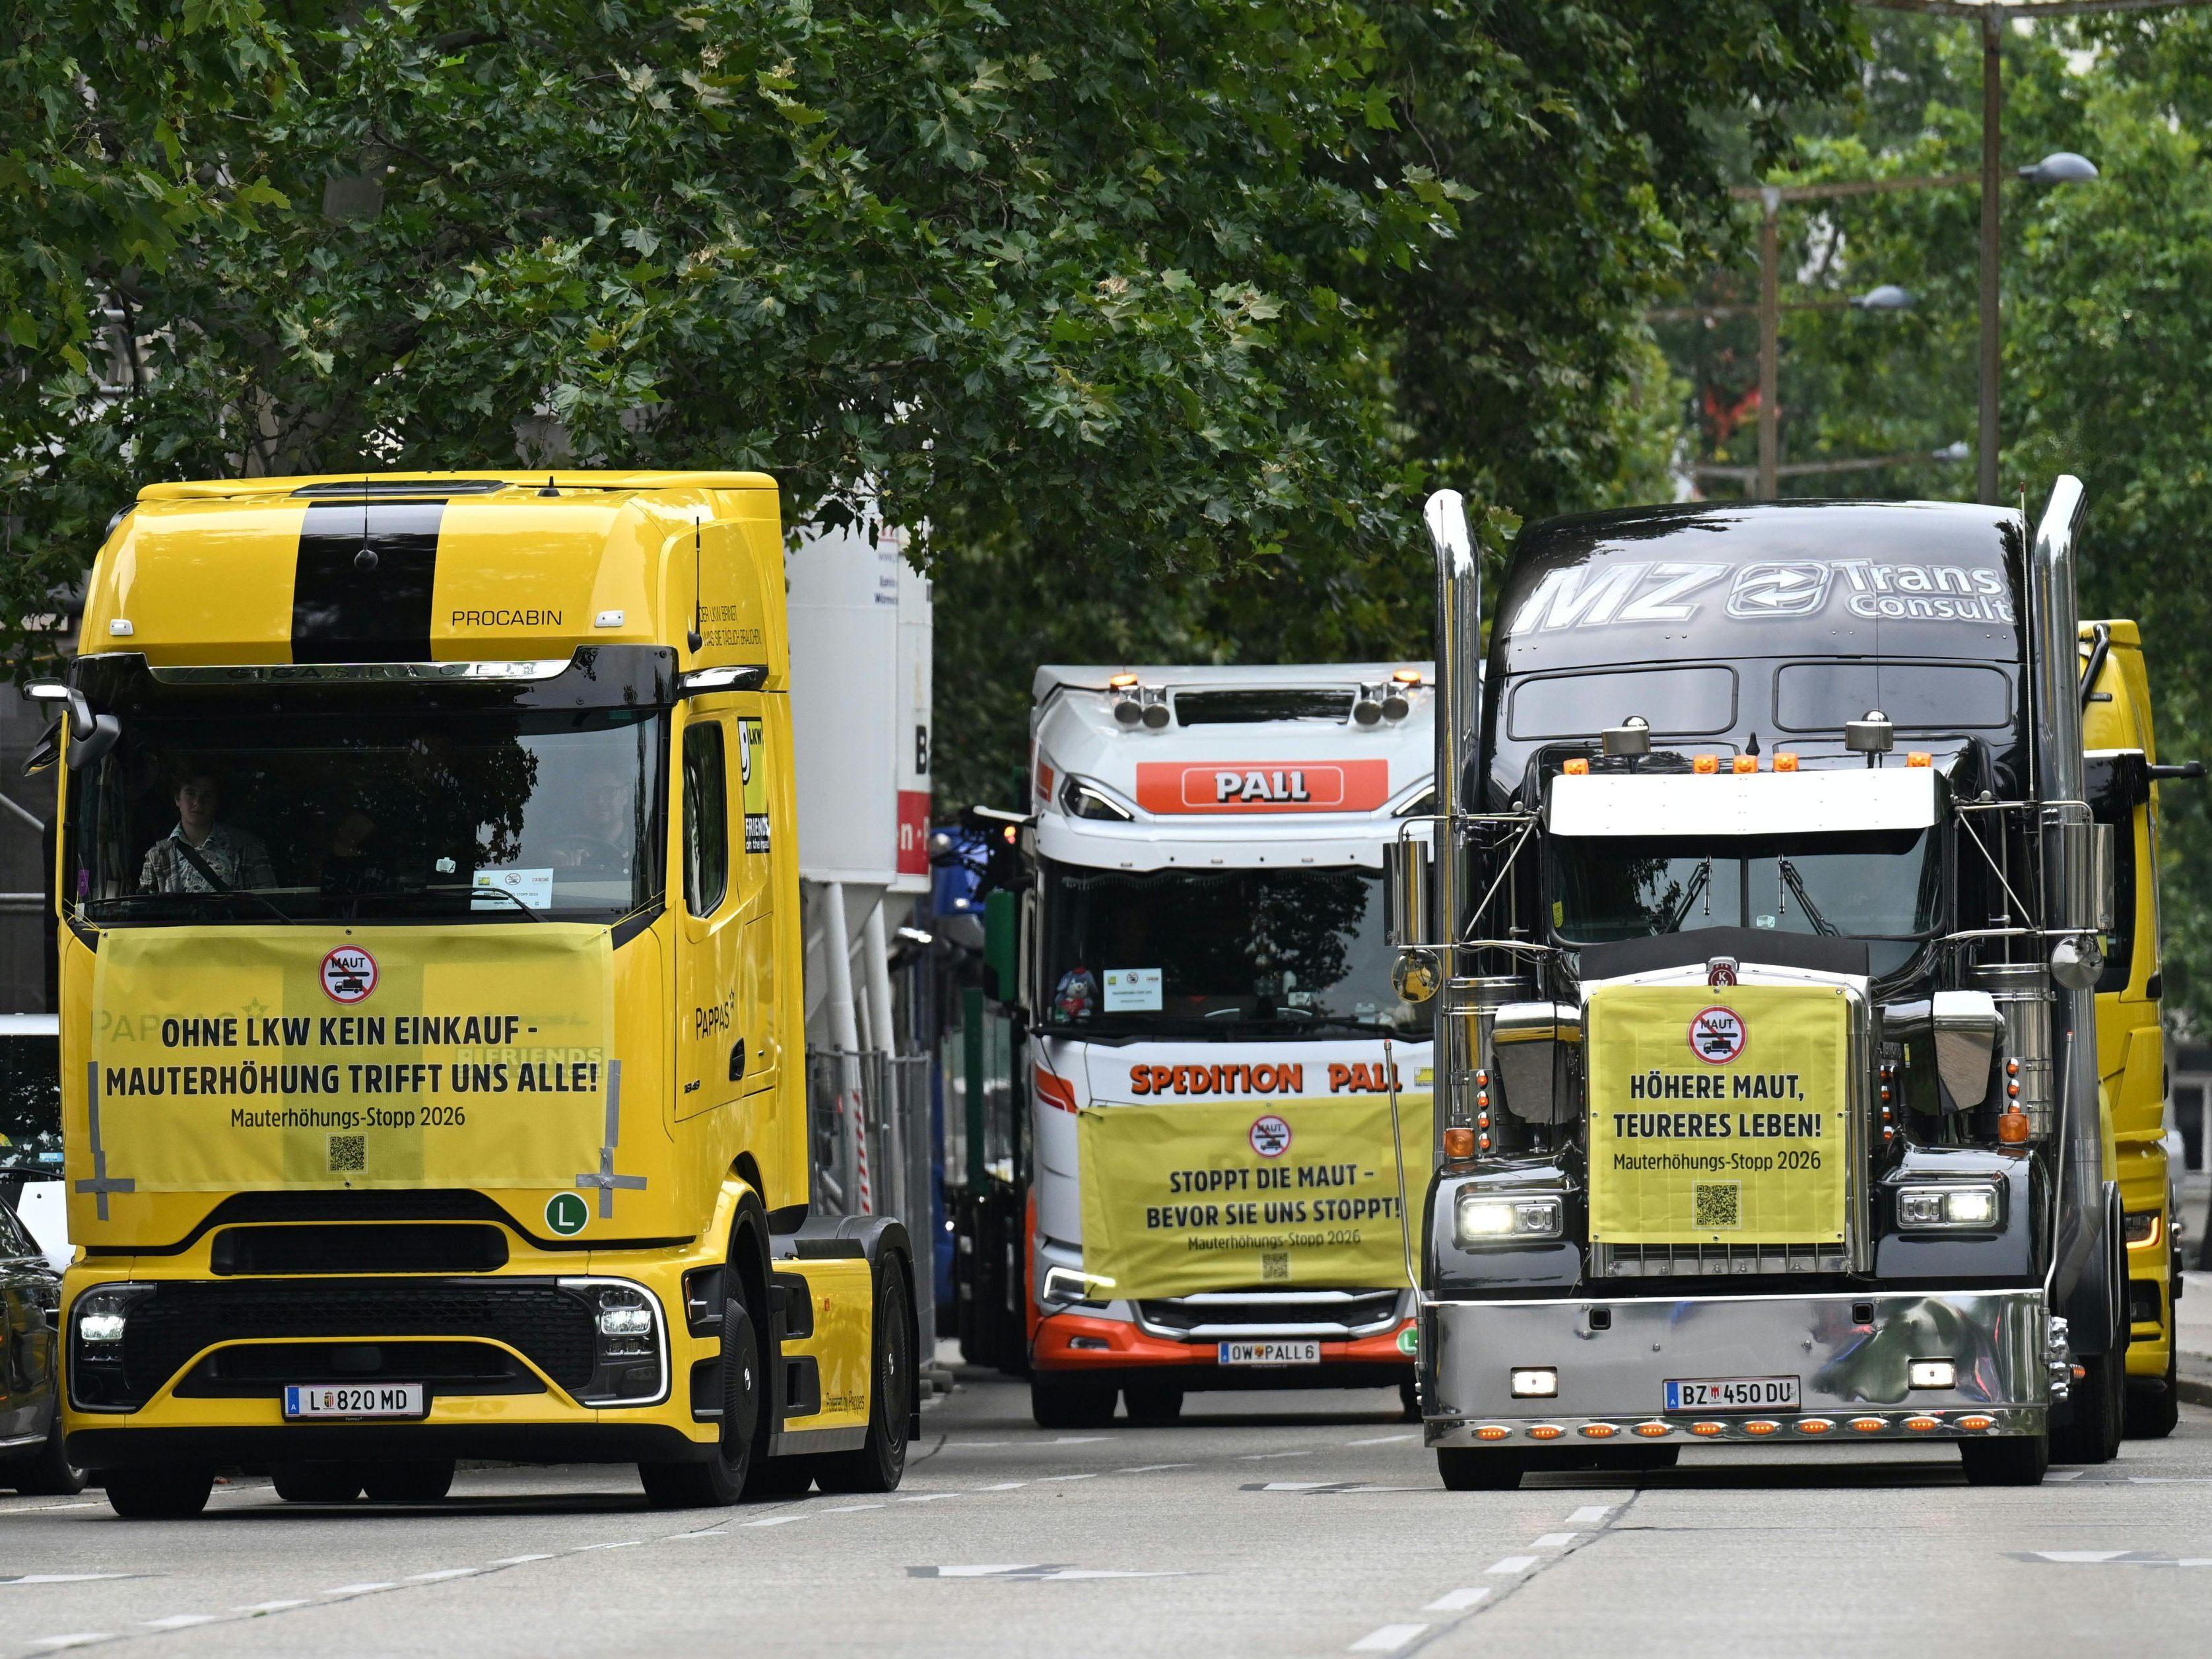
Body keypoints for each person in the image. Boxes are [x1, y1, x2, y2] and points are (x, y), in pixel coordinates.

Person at [138, 772, 276, 894]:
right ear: (177, 799)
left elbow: (269, 906)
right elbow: (144, 913)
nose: (198, 802)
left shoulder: (248, 849)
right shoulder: (157, 856)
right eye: (191, 794)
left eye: (207, 795)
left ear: (217, 801)